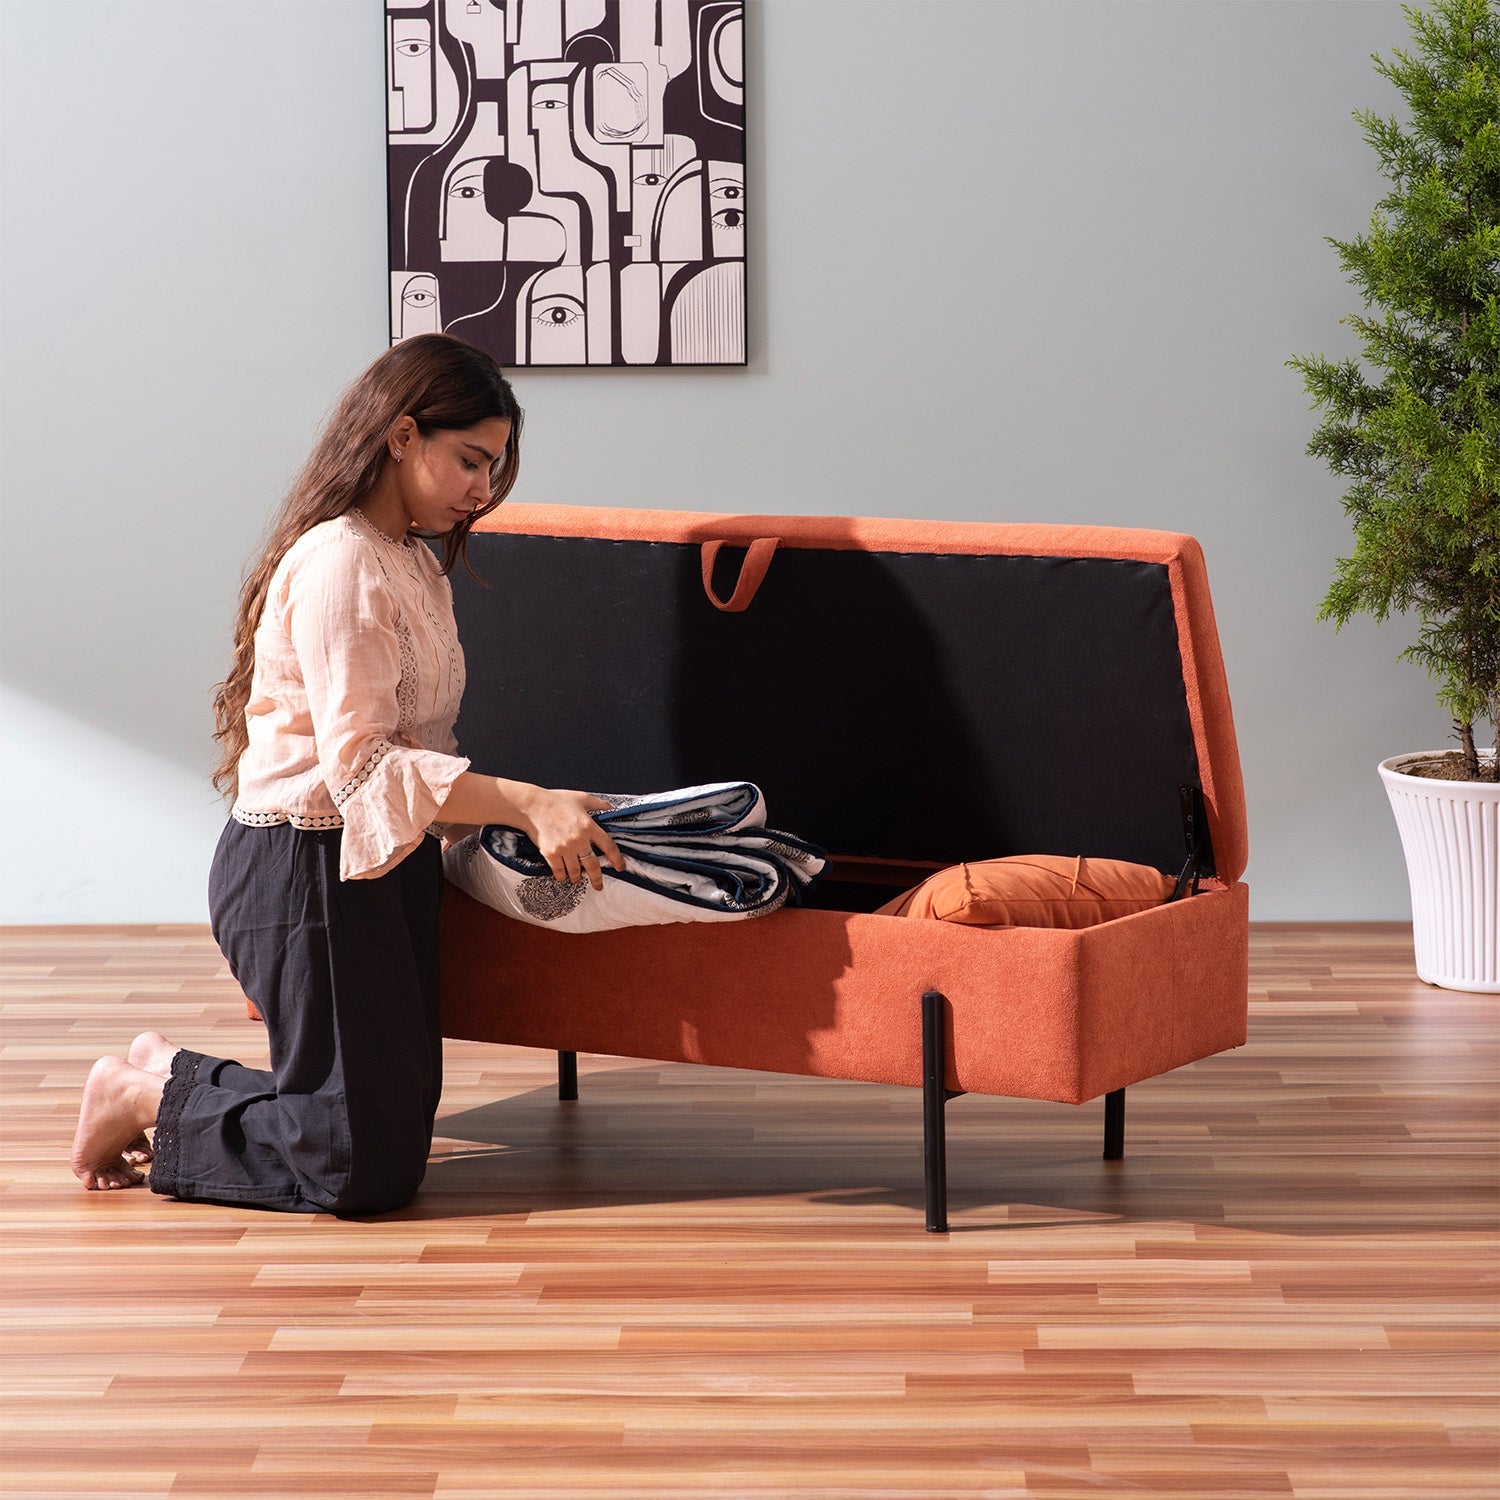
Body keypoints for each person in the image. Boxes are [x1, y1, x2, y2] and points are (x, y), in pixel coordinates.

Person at [69, 333, 624, 1212]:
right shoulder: (340, 562)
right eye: (471, 461)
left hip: (378, 865)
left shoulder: (409, 560)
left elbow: (414, 751)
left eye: (497, 466)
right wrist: (522, 804)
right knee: (358, 1170)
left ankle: (166, 1071)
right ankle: (139, 1095)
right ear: (402, 435)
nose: (485, 490)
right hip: (306, 870)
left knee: (383, 1126)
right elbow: (362, 766)